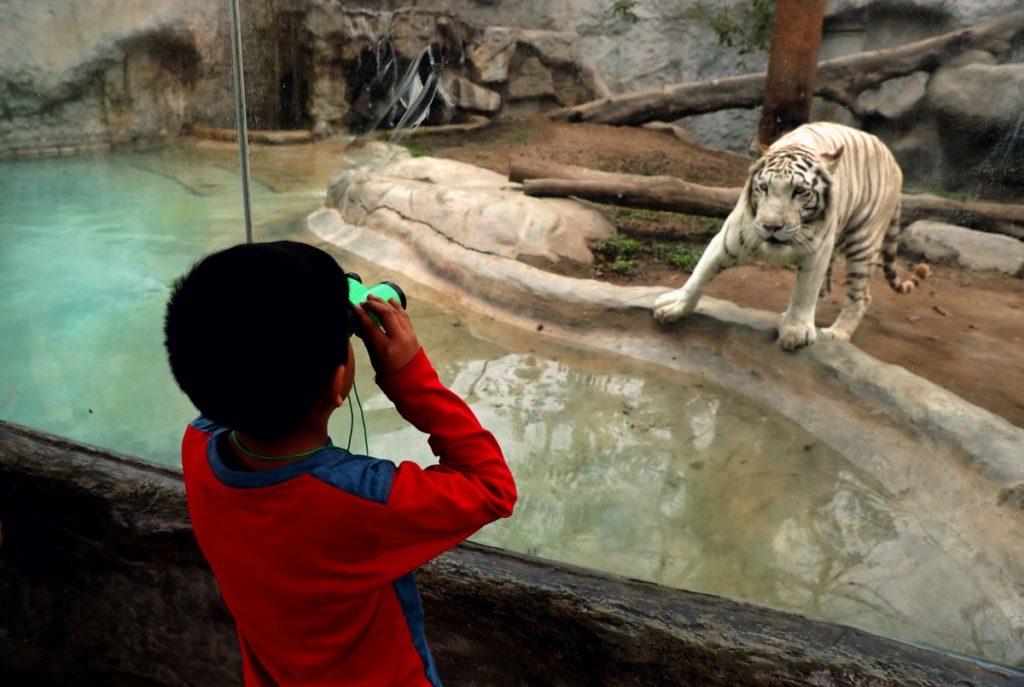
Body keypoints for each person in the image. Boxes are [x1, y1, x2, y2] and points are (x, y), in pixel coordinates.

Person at [163, 240, 517, 686]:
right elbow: (492, 486)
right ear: (338, 382)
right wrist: (409, 376)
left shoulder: (197, 446)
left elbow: (235, 361)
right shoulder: (358, 500)